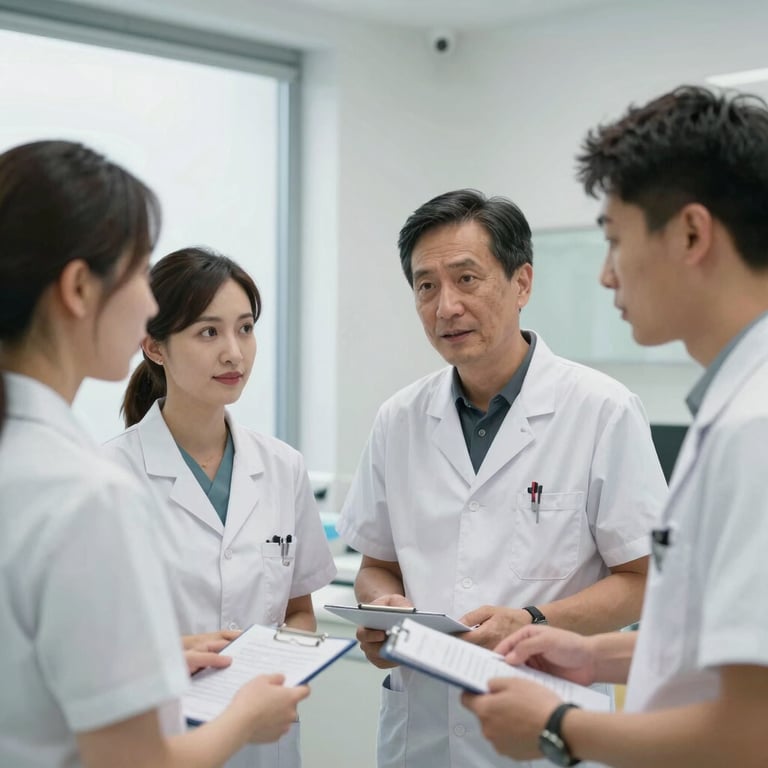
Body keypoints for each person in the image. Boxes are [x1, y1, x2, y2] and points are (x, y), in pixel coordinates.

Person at [462, 85, 768, 768]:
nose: (605, 276)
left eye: (614, 241)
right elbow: (715, 647)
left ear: (691, 233)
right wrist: (590, 654)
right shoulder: (736, 406)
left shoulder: (756, 430)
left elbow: (754, 733)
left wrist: (557, 725)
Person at [0, 140, 309, 768]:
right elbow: (133, 762)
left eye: (245, 327)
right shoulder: (89, 491)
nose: (146, 303)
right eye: (140, 274)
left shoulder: (28, 461)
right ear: (80, 288)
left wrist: (161, 659)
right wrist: (246, 715)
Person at [336, 188, 667, 767]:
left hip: (544, 731)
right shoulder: (399, 418)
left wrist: (533, 621)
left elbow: (643, 579)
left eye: (467, 279)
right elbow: (376, 563)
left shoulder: (602, 411)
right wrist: (382, 608)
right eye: (425, 285)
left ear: (522, 284)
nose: (446, 307)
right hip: (422, 734)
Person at [104, 246, 336, 768]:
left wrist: (279, 663)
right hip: (159, 739)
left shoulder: (283, 467)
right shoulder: (109, 480)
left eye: (246, 328)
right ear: (154, 346)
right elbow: (86, 646)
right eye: (209, 332)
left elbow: (299, 611)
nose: (235, 352)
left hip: (267, 738)